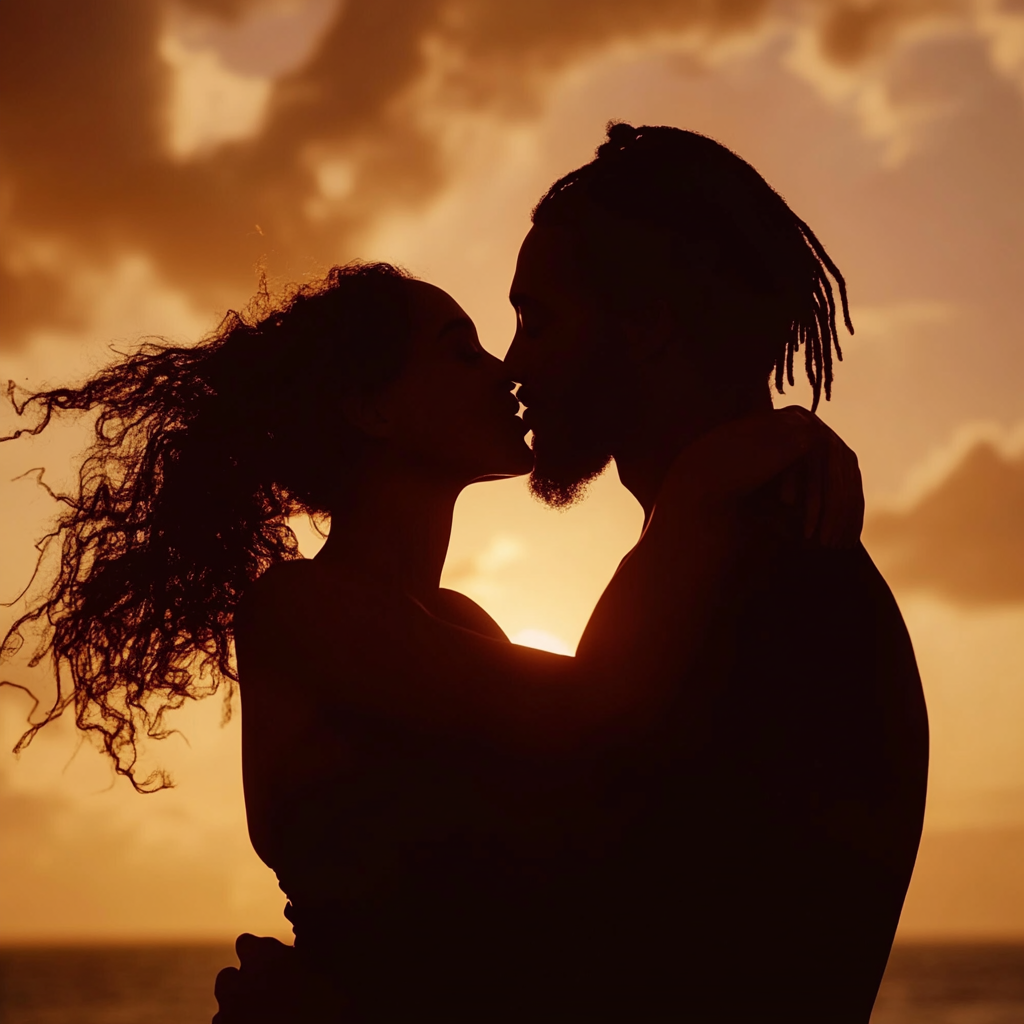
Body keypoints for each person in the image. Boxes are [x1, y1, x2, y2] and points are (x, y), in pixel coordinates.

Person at [2, 262, 861, 1020]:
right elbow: (594, 711)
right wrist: (702, 487)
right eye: (464, 350)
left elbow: (623, 779)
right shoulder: (303, 607)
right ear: (371, 407)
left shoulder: (462, 626)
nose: (507, 372)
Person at [499, 122, 929, 1022]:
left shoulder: (764, 585)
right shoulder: (725, 558)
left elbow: (628, 955)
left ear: (650, 324)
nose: (514, 364)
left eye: (536, 320)